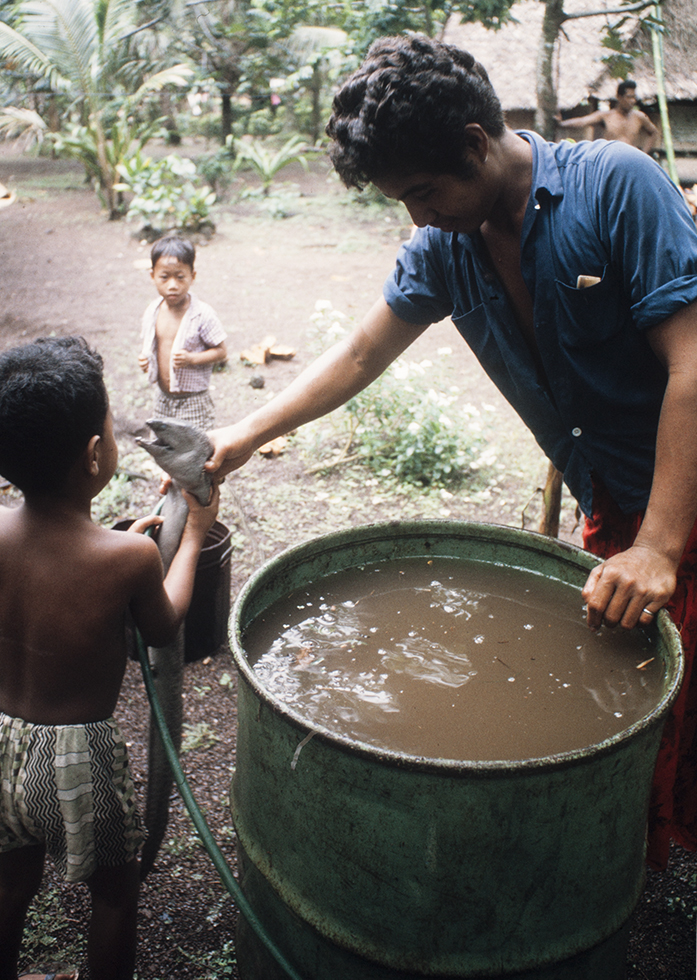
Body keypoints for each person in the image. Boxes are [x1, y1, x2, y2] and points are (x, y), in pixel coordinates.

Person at [203, 35, 697, 869]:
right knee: (635, 698)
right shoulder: (445, 245)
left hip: (678, 496)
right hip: (614, 493)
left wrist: (658, 543)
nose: (416, 217)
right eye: (402, 199)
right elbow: (362, 355)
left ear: (475, 141)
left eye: (423, 192)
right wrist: (240, 438)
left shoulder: (616, 186)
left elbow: (692, 363)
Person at [0, 336, 219, 980]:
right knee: (116, 896)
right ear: (97, 454)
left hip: (1, 743)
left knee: (10, 884)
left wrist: (118, 545)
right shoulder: (124, 559)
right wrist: (191, 538)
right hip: (76, 758)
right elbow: (162, 626)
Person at [139, 235, 228, 431]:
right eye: (164, 277)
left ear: (192, 276)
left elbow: (221, 352)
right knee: (165, 447)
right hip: (163, 397)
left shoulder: (202, 314)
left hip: (193, 400)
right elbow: (154, 347)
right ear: (152, 275)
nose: (172, 285)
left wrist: (191, 359)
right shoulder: (152, 311)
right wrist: (146, 360)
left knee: (194, 450)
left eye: (180, 277)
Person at [556, 79, 658, 153]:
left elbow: (653, 132)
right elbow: (583, 121)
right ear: (619, 97)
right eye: (629, 97)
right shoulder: (606, 116)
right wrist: (561, 123)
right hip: (610, 157)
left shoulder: (639, 117)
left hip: (631, 157)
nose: (633, 101)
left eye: (634, 97)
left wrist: (645, 153)